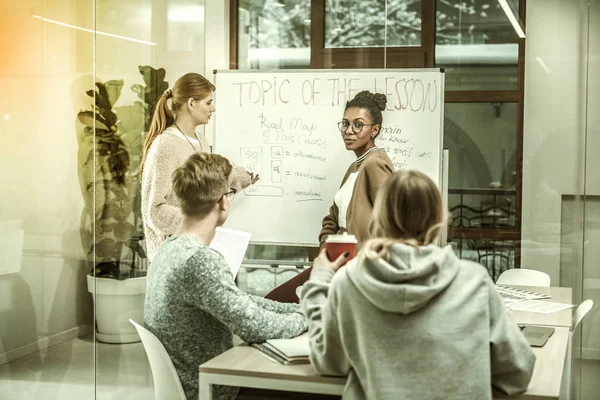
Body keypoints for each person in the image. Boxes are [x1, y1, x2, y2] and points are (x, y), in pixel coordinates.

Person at [300, 170, 536, 400]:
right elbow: (517, 373)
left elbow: (329, 362)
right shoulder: (475, 281)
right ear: (439, 218)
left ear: (379, 217)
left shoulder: (348, 281)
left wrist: (319, 281)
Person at [144, 152, 307, 400]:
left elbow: (240, 301)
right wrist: (304, 320)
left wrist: (296, 310)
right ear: (223, 201)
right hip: (214, 391)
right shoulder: (199, 261)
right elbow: (253, 325)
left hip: (194, 385)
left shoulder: (168, 250)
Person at [265, 90, 393, 303]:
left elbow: (392, 223)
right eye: (345, 123)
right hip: (336, 260)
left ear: (375, 130)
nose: (348, 131)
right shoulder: (356, 165)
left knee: (277, 302)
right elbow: (333, 217)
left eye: (358, 125)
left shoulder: (375, 164)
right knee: (277, 302)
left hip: (356, 268)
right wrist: (325, 248)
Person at [140, 72, 258, 261]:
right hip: (174, 257)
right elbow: (155, 211)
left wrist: (237, 179)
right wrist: (199, 220)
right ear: (191, 103)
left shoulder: (201, 141)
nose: (213, 109)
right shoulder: (165, 145)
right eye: (208, 103)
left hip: (198, 250)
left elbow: (203, 191)